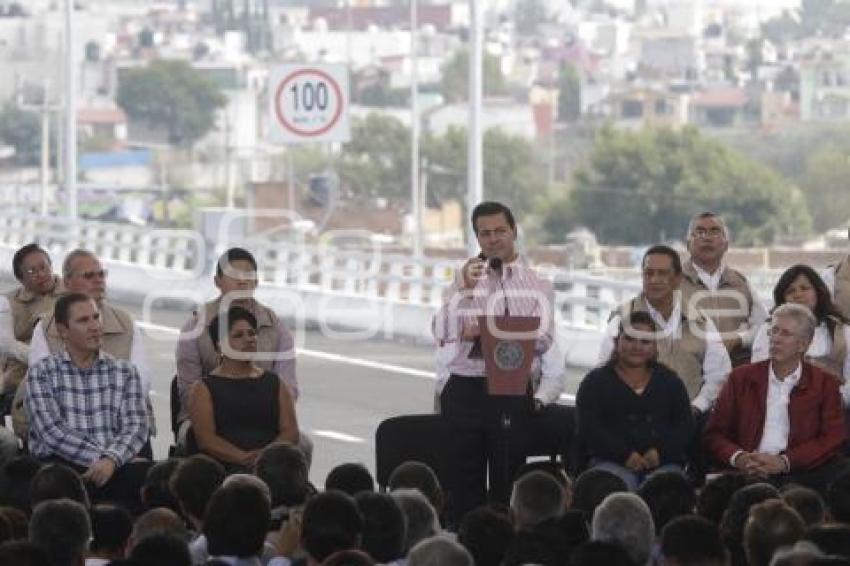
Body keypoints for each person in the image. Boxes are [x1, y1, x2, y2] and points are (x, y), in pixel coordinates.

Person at [432, 201, 560, 519]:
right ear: (477, 238)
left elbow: (543, 339)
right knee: (464, 483)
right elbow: (441, 330)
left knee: (508, 478)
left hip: (511, 388)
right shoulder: (465, 280)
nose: (493, 239)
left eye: (500, 231)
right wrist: (463, 290)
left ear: (514, 231)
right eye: (484, 233)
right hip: (465, 388)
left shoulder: (538, 284)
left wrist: (490, 333)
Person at [176, 247, 310, 462]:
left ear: (256, 282)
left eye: (248, 276)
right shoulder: (195, 326)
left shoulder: (275, 326)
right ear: (217, 281)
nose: (242, 282)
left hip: (266, 416)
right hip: (209, 417)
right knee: (192, 439)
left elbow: (288, 387)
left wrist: (260, 413)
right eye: (233, 276)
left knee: (302, 445)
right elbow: (187, 389)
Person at [704, 303, 850, 494]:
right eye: (774, 331)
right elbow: (714, 434)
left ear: (804, 344)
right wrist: (740, 458)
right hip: (747, 470)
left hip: (801, 471)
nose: (776, 339)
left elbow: (832, 437)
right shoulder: (740, 378)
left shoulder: (825, 384)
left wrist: (784, 462)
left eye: (785, 334)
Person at [25, 293, 151, 511]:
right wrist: (102, 458)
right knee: (55, 479)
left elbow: (137, 426)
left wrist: (111, 460)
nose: (95, 326)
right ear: (63, 330)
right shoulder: (42, 372)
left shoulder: (124, 371)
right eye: (84, 320)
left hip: (115, 465)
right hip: (64, 466)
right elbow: (52, 432)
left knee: (153, 476)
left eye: (96, 317)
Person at [17, 249, 154, 449]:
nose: (98, 280)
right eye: (89, 276)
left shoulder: (126, 323)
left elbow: (140, 382)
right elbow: (43, 388)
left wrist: (103, 417)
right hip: (66, 426)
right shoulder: (47, 326)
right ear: (67, 282)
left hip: (119, 424)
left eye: (101, 274)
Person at [599, 245, 732, 415]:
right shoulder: (622, 319)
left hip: (688, 421)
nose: (654, 280)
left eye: (662, 273)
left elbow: (719, 374)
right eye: (649, 273)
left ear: (678, 278)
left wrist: (697, 406)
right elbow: (603, 372)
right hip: (632, 422)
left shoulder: (701, 322)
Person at [578, 311, 694, 490]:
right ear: (617, 341)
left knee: (667, 490)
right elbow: (589, 428)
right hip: (609, 462)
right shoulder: (595, 382)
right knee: (616, 488)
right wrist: (624, 455)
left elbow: (684, 426)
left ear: (655, 347)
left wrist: (659, 453)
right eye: (630, 339)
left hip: (663, 464)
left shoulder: (671, 382)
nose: (637, 346)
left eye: (645, 341)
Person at [188, 306, 298, 471]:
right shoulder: (204, 388)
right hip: (222, 468)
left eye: (252, 333)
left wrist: (264, 457)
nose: (249, 339)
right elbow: (206, 439)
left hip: (271, 468)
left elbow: (290, 432)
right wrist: (243, 458)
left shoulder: (275, 382)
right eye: (238, 335)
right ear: (219, 347)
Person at [751, 264, 850, 406]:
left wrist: (834, 400)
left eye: (804, 288)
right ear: (783, 299)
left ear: (818, 291)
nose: (798, 294)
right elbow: (759, 372)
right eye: (790, 291)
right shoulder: (769, 329)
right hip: (781, 404)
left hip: (833, 407)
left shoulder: (842, 330)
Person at [679, 212, 768, 367]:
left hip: (735, 376)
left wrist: (737, 339)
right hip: (687, 375)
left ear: (726, 244)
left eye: (715, 232)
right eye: (700, 232)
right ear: (688, 243)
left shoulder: (741, 283)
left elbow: (764, 327)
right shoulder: (671, 283)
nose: (707, 237)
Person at [0, 244, 64, 418]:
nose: (41, 274)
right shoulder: (8, 302)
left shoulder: (72, 297)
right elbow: (5, 345)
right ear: (20, 279)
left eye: (44, 267)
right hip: (17, 383)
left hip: (63, 383)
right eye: (31, 272)